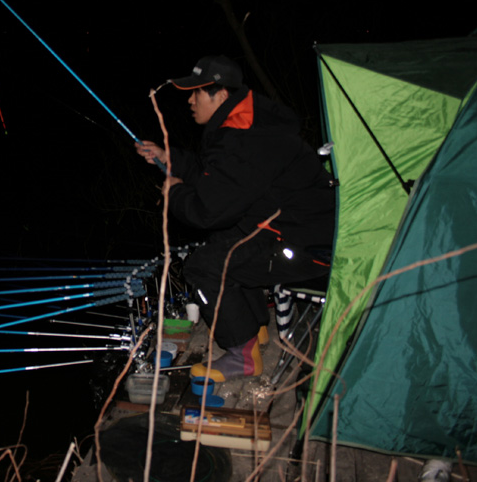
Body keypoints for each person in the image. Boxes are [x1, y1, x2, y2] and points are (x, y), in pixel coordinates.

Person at [136, 55, 336, 382]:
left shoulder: (246, 140)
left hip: (307, 246)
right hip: (290, 227)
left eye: (196, 93)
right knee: (224, 241)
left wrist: (175, 193)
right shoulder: (247, 123)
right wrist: (168, 158)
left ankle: (242, 354)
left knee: (203, 267)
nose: (190, 100)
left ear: (221, 95)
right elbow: (217, 177)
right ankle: (254, 327)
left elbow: (206, 211)